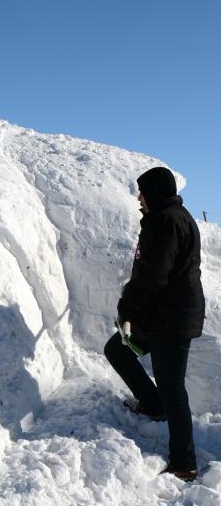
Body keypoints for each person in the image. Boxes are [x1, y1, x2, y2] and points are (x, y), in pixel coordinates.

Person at [104, 166, 205, 481]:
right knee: (117, 349)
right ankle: (152, 404)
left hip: (171, 320)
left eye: (142, 192)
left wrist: (127, 305)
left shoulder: (167, 221)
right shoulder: (169, 217)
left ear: (154, 193)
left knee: (173, 387)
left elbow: (153, 275)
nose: (139, 197)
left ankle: (184, 463)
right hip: (161, 316)